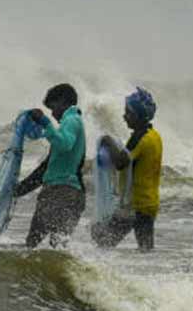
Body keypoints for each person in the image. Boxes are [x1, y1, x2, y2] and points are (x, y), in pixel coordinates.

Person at [14, 83, 86, 248]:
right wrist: (20, 190)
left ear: (63, 101)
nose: (53, 114)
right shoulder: (73, 123)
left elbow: (64, 144)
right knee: (58, 247)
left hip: (60, 193)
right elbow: (46, 168)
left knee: (32, 244)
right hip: (73, 195)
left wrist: (45, 123)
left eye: (53, 108)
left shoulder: (71, 120)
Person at [91, 87, 162, 251]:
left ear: (138, 116)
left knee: (102, 241)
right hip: (149, 203)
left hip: (134, 205)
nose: (124, 117)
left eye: (128, 113)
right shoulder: (154, 135)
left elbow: (120, 162)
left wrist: (108, 141)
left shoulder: (139, 137)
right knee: (146, 249)